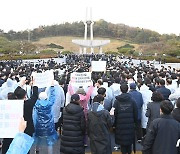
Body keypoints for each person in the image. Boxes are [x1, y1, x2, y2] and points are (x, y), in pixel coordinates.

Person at [33, 84, 58, 154]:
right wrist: (52, 87)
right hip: (49, 126)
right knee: (50, 142)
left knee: (38, 139)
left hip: (38, 125)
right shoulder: (49, 103)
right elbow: (53, 97)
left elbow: (32, 97)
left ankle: (37, 151)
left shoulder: (37, 103)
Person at [114, 84, 138, 154]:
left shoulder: (117, 101)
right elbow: (135, 112)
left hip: (120, 124)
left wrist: (114, 124)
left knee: (122, 144)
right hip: (130, 124)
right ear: (127, 89)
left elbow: (114, 113)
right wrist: (135, 122)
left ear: (120, 90)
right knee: (129, 142)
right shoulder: (132, 100)